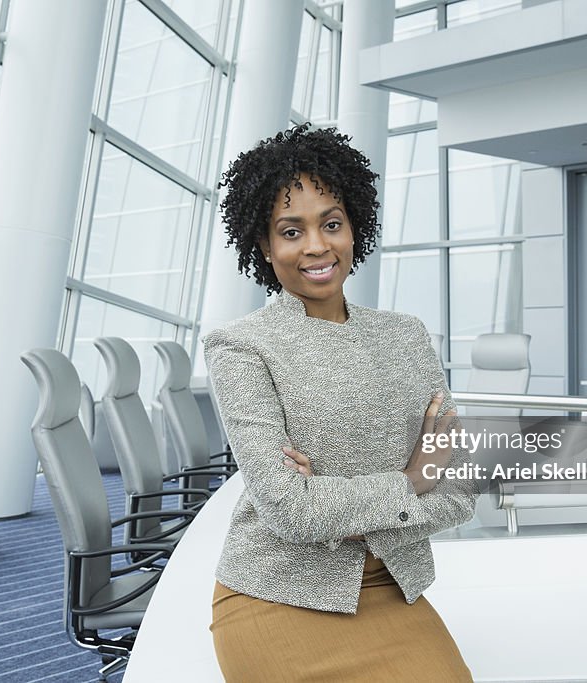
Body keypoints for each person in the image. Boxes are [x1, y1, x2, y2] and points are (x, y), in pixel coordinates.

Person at [202, 123, 476, 682]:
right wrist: (411, 477)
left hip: (393, 586)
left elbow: (460, 492)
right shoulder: (241, 347)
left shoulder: (406, 336)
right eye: (290, 230)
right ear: (264, 244)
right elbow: (287, 510)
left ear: (354, 228)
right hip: (277, 593)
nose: (316, 246)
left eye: (331, 223)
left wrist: (333, 502)